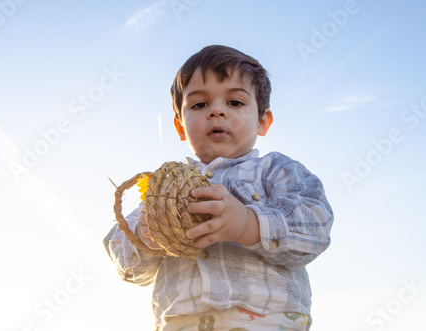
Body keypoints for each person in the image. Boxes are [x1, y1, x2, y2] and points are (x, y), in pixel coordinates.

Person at [104, 45, 333, 331]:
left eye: (235, 102)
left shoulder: (276, 170)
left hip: (266, 321)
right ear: (180, 127)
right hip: (180, 322)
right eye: (199, 105)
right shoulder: (163, 189)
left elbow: (315, 227)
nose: (216, 111)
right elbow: (124, 261)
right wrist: (147, 235)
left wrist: (247, 224)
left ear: (263, 121)